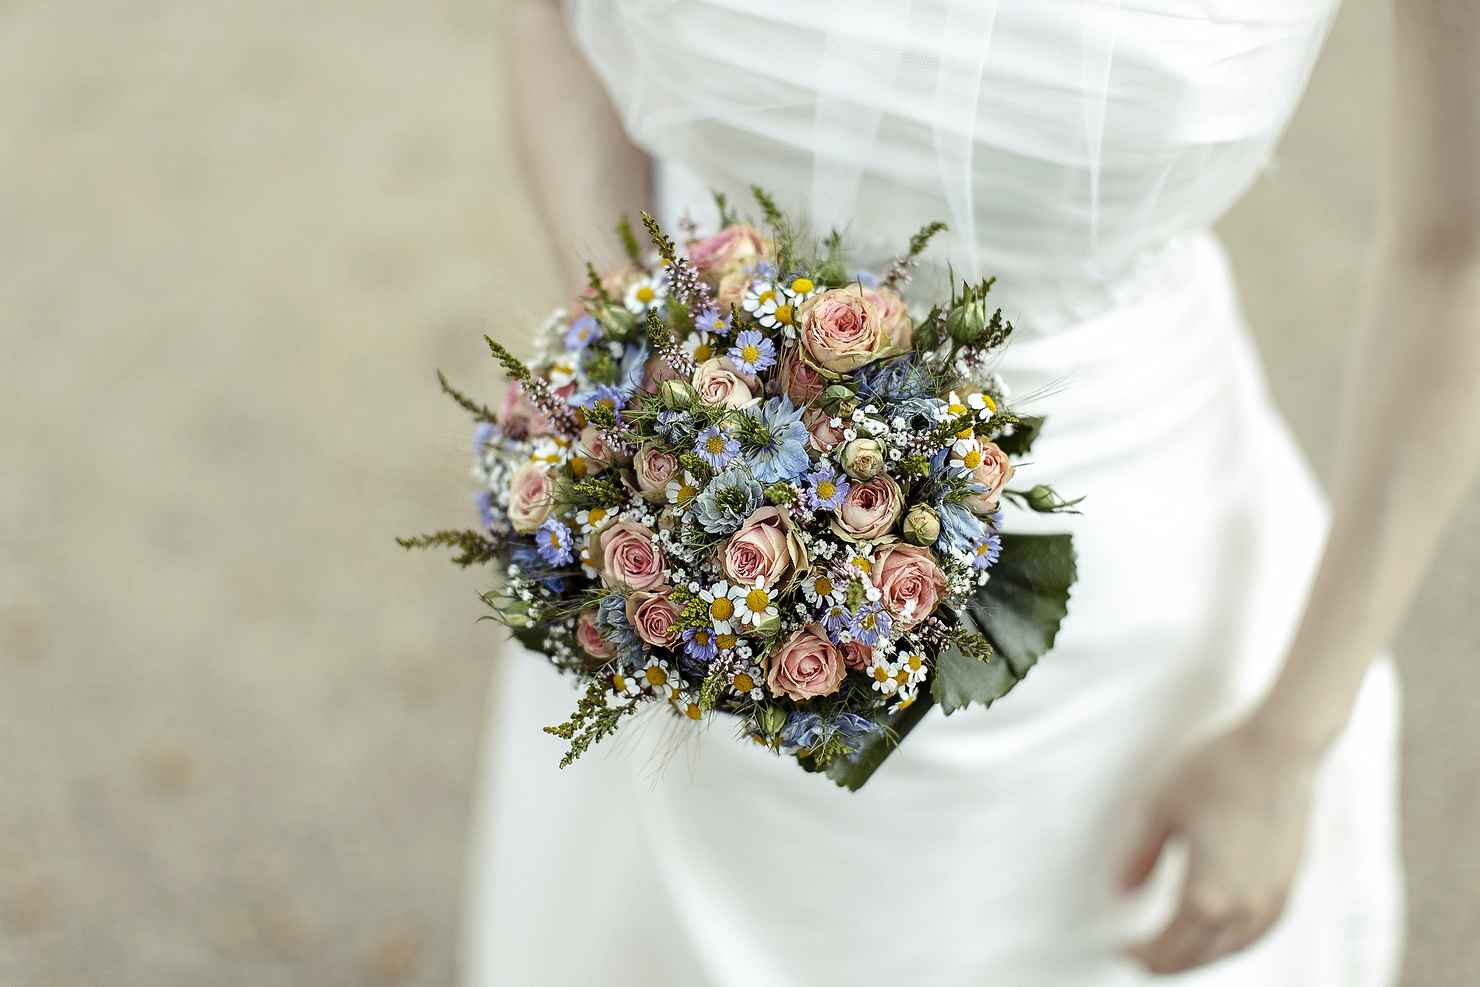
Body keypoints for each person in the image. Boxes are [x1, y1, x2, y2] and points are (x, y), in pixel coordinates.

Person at [467, 2, 1480, 982]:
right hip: (696, 560)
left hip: (1110, 620)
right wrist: (661, 386)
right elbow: (555, 21)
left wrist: (1288, 739)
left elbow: (1457, 256)